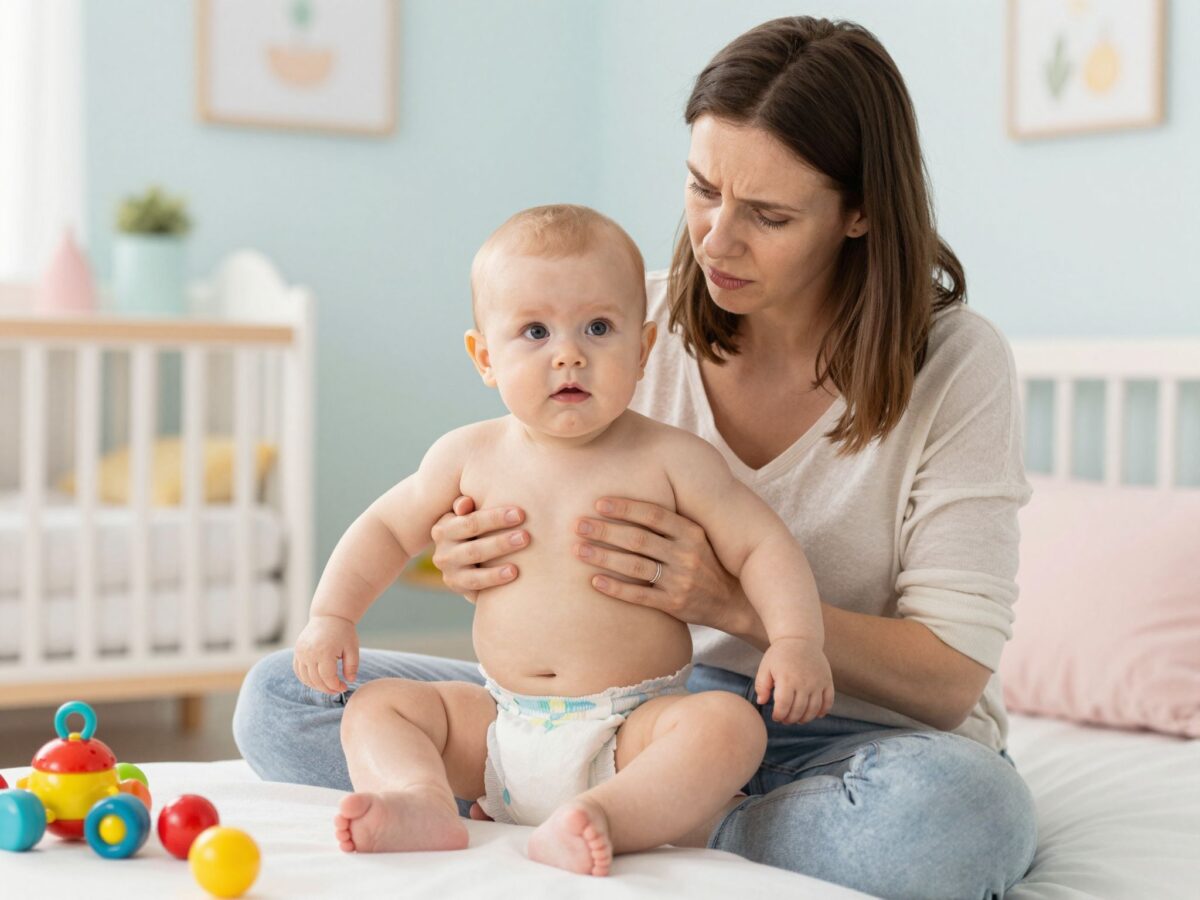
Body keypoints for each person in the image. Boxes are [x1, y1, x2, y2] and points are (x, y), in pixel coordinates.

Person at [235, 16, 1038, 897]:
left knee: (959, 825)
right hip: (617, 701)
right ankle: (569, 797)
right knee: (284, 696)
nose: (715, 241)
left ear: (858, 214)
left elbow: (949, 681)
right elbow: (441, 513)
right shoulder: (613, 315)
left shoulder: (955, 364)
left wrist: (728, 601)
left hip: (847, 733)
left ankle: (673, 813)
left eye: (768, 215)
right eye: (702, 190)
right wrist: (469, 557)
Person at [290, 204, 833, 875]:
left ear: (642, 349)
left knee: (728, 726)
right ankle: (421, 800)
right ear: (485, 357)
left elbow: (763, 546)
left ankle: (607, 815)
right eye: (535, 331)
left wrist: (796, 640)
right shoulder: (468, 454)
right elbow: (384, 528)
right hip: (499, 725)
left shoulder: (673, 459)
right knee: (377, 706)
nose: (569, 353)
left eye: (598, 328)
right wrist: (331, 617)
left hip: (632, 729)